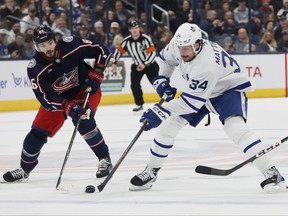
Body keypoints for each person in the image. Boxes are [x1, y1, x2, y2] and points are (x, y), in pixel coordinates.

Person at [129, 23, 286, 193]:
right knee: (169, 126)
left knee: (236, 128)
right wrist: (161, 81)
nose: (182, 52)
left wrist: (160, 110)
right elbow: (164, 60)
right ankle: (151, 171)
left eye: (187, 48)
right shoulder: (179, 44)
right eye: (180, 47)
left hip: (227, 90)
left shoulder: (207, 64)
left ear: (198, 44)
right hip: (200, 92)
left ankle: (271, 172)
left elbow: (191, 102)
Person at [2, 24, 113, 183]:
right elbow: (45, 98)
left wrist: (98, 70)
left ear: (55, 40)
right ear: (36, 46)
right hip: (59, 101)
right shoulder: (35, 67)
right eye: (42, 45)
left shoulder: (71, 44)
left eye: (49, 43)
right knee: (36, 135)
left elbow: (102, 49)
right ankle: (25, 169)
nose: (47, 48)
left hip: (84, 89)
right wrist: (67, 105)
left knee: (84, 120)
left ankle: (104, 159)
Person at [111, 20, 159, 112]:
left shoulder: (146, 39)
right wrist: (114, 63)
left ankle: (167, 98)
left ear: (139, 28)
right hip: (137, 66)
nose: (135, 30)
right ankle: (139, 104)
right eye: (133, 28)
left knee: (157, 83)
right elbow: (119, 51)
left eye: (136, 28)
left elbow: (152, 53)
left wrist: (145, 64)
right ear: (129, 30)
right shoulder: (127, 41)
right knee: (134, 85)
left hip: (150, 65)